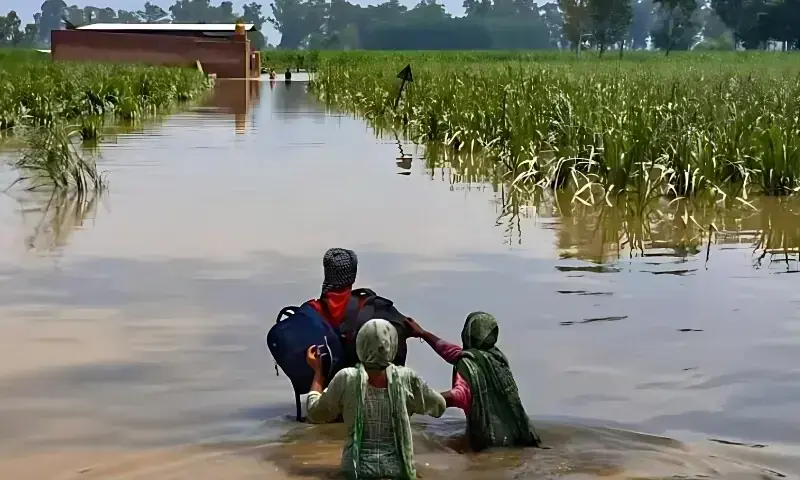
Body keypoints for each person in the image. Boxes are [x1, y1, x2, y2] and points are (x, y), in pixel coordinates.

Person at [306, 319, 446, 480]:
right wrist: (410, 405)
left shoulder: (346, 378)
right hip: (398, 471)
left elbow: (315, 413)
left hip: (356, 471)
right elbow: (439, 406)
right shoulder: (407, 378)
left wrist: (318, 372)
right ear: (392, 345)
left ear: (360, 344)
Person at [406, 312, 542, 452]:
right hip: (520, 436)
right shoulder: (497, 357)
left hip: (489, 445)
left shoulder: (468, 366)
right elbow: (453, 352)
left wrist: (418, 400)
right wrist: (423, 334)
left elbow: (459, 395)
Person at [307, 248, 410, 368]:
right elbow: (403, 331)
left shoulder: (311, 312)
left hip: (323, 383)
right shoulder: (377, 309)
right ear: (353, 275)